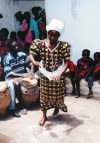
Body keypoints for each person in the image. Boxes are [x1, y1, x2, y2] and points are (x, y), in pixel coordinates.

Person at [29, 19, 70, 126]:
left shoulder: (63, 46)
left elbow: (66, 63)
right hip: (45, 73)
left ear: (59, 35)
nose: (52, 37)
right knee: (44, 95)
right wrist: (36, 63)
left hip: (58, 73)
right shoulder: (39, 44)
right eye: (50, 35)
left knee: (57, 94)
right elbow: (31, 55)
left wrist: (60, 74)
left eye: (55, 36)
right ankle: (44, 116)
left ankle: (57, 106)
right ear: (47, 33)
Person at [3, 40, 34, 117]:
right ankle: (19, 106)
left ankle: (35, 101)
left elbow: (30, 64)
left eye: (17, 45)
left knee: (38, 78)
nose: (17, 48)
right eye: (14, 47)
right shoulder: (7, 58)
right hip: (12, 78)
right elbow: (9, 73)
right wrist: (23, 75)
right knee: (16, 84)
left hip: (23, 75)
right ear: (9, 48)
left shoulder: (22, 54)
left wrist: (32, 72)